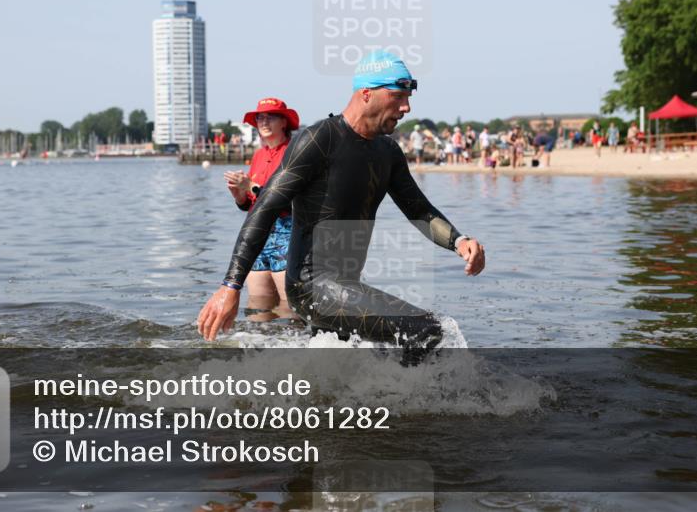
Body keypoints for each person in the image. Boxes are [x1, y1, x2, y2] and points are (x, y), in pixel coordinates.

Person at [198, 51, 486, 361]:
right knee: (427, 330)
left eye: (408, 97)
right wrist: (231, 286)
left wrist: (459, 240)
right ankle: (418, 405)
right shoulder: (319, 139)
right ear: (366, 94)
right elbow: (264, 209)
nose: (406, 107)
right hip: (312, 287)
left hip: (345, 286)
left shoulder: (387, 151)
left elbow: (418, 209)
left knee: (344, 370)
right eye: (398, 97)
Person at [223, 97, 300, 318]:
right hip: (257, 232)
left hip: (287, 231)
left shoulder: (294, 153)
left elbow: (288, 200)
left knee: (290, 308)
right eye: (260, 118)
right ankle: (259, 351)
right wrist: (239, 195)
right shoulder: (259, 155)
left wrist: (252, 186)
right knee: (258, 310)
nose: (263, 122)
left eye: (270, 117)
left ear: (284, 122)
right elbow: (250, 202)